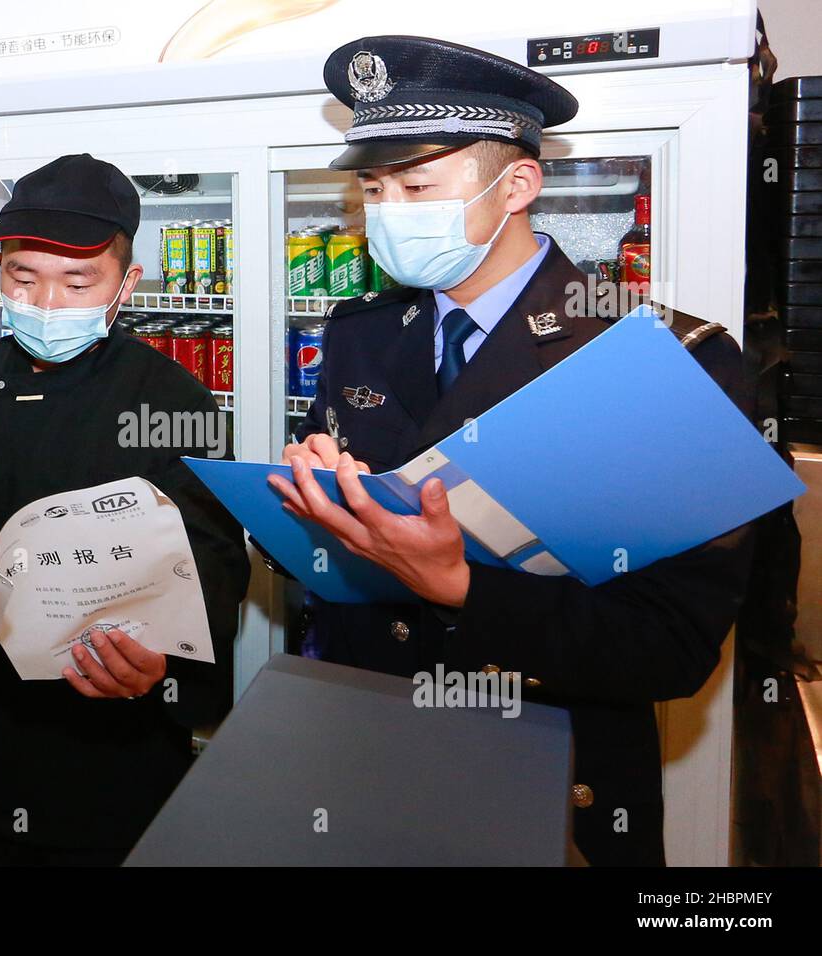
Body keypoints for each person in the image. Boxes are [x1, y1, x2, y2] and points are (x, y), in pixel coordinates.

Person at [270, 36, 755, 866]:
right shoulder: (362, 336)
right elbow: (333, 573)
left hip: (547, 775)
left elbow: (672, 644)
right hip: (369, 758)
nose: (387, 209)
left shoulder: (661, 360)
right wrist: (304, 509)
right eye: (373, 187)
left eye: (416, 185)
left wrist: (458, 585)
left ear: (519, 184)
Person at [0, 153, 250, 866]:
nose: (47, 303)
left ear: (125, 284)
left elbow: (214, 565)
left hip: (111, 748)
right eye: (23, 278)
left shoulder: (174, 401)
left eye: (78, 281)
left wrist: (157, 661)